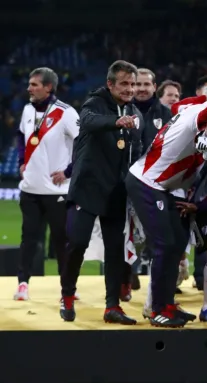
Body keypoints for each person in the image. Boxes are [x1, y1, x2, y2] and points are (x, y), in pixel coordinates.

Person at [126, 76, 207, 328]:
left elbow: (180, 108)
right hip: (147, 182)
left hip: (163, 187)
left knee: (177, 243)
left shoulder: (199, 115)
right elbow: (203, 117)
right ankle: (157, 309)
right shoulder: (199, 114)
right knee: (165, 244)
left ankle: (167, 304)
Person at [61, 60, 144, 324]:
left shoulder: (135, 113)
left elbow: (137, 151)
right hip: (88, 188)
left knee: (114, 250)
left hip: (116, 191)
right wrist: (116, 121)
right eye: (124, 84)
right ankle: (67, 295)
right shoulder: (95, 102)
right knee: (78, 243)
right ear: (110, 84)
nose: (130, 89)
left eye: (133, 84)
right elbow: (89, 121)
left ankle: (112, 306)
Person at [14, 67, 79, 301]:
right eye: (29, 84)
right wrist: (22, 161)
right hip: (30, 189)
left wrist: (69, 171)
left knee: (62, 241)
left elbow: (83, 145)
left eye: (34, 84)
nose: (29, 88)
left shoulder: (67, 113)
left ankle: (67, 289)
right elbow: (22, 137)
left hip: (57, 191)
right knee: (29, 238)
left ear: (48, 87)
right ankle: (22, 284)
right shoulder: (27, 110)